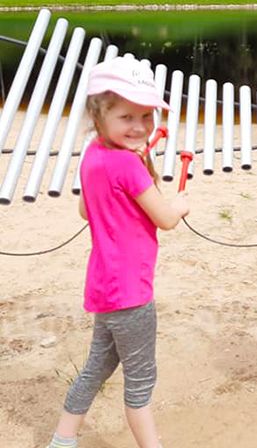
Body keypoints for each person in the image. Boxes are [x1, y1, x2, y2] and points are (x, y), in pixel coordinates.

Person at [47, 57, 189, 448]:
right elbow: (165, 218)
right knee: (141, 383)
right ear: (98, 114)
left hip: (104, 289)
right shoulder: (127, 164)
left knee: (96, 368)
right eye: (127, 116)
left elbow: (84, 208)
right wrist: (180, 203)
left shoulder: (93, 153)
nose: (140, 127)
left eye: (146, 116)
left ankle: (63, 440)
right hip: (131, 293)